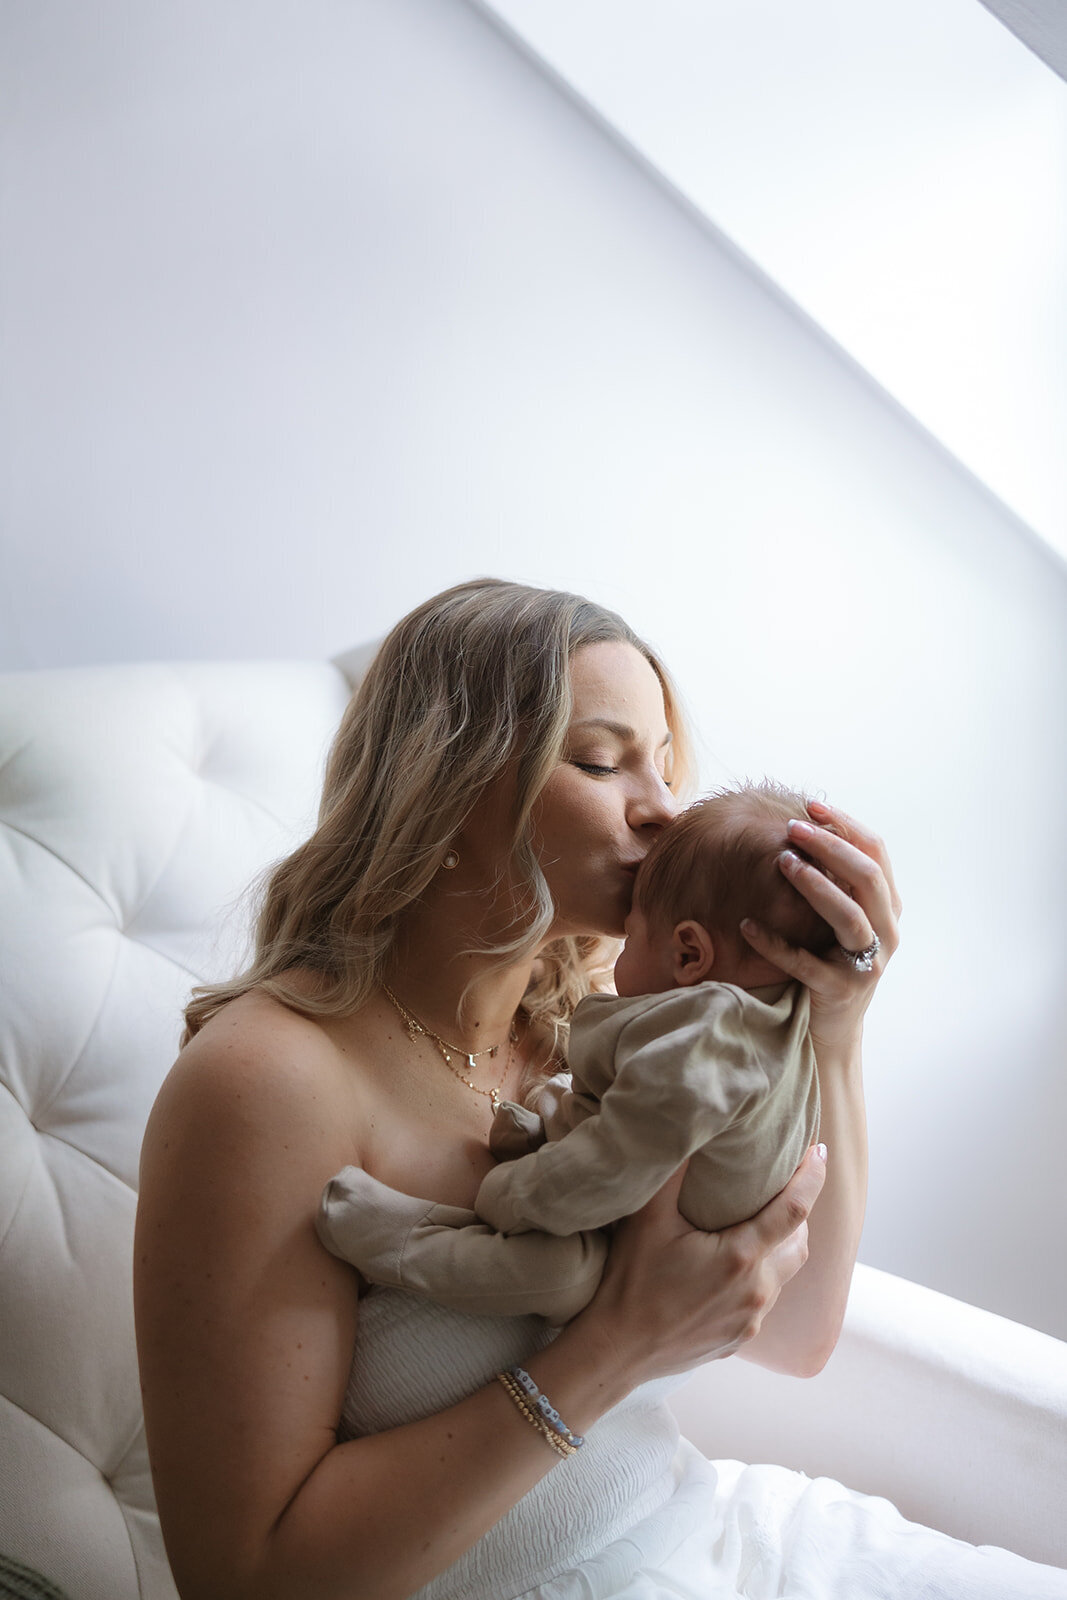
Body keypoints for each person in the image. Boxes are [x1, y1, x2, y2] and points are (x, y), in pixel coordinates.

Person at [134, 579, 1066, 1600]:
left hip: (706, 1542)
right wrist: (612, 1347)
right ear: (444, 788)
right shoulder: (268, 1081)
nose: (664, 808)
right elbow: (245, 1578)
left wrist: (832, 1030)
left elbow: (796, 1330)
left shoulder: (589, 1031)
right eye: (600, 759)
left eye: (662, 762)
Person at [316, 782, 839, 1326]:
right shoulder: (766, 1021)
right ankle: (549, 1130)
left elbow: (612, 1164)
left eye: (634, 932)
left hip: (632, 1230)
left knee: (565, 1277)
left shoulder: (707, 1045)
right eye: (599, 762)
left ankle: (398, 1241)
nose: (662, 808)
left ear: (689, 953)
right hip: (636, 1211)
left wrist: (513, 1196)